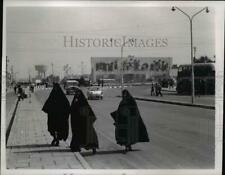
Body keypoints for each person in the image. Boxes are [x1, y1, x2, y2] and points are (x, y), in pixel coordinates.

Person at [70, 88, 99, 153]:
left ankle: (93, 148)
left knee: (90, 135)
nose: (77, 95)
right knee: (78, 135)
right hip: (78, 122)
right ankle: (77, 147)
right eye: (76, 93)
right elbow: (72, 111)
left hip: (85, 122)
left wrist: (90, 119)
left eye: (78, 93)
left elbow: (89, 111)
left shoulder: (84, 102)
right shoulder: (75, 102)